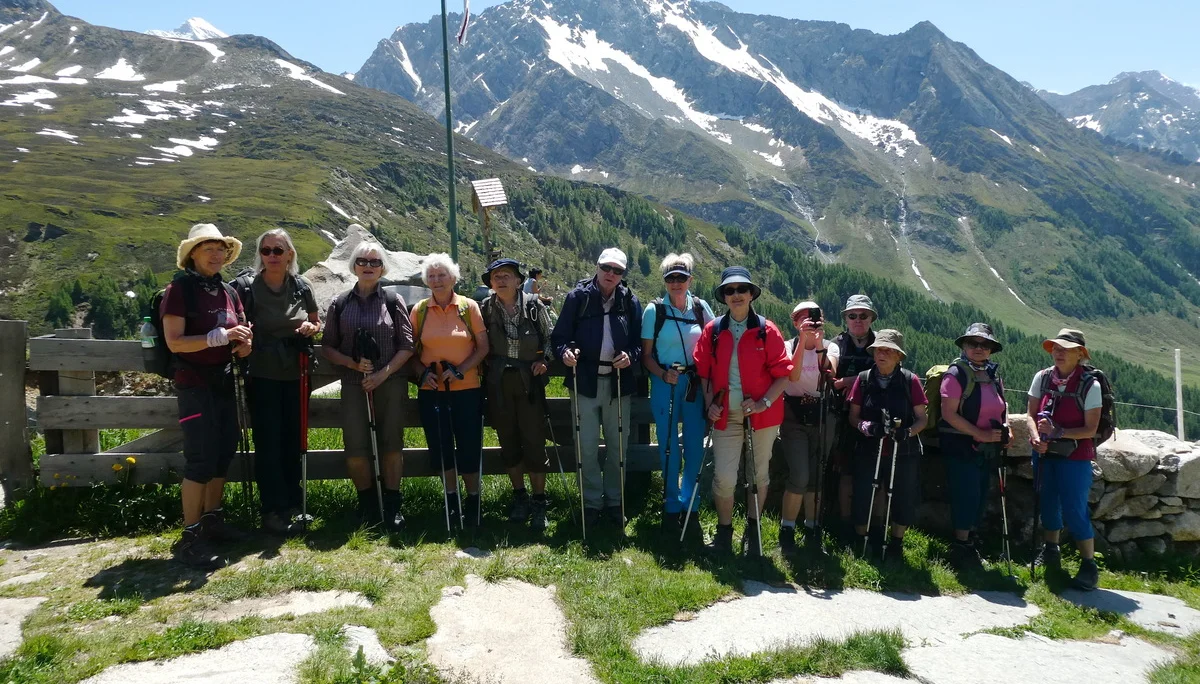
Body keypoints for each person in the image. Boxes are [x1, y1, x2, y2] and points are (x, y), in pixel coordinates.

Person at [162, 223, 253, 569]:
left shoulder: (228, 291)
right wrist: (218, 337)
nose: (217, 255)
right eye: (208, 249)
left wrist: (244, 344)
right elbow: (175, 341)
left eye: (221, 249)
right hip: (193, 382)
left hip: (224, 380)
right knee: (200, 457)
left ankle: (213, 520)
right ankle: (191, 534)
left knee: (223, 452)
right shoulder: (179, 290)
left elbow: (242, 331)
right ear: (193, 255)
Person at [693, 267, 792, 557]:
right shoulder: (713, 330)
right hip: (725, 415)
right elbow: (704, 372)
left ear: (751, 294)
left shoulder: (766, 329)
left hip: (761, 416)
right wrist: (711, 402)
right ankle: (724, 532)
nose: (735, 295)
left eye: (741, 289)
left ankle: (753, 530)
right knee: (724, 478)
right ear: (724, 296)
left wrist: (764, 403)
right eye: (729, 290)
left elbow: (783, 374)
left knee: (758, 476)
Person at [321, 242, 414, 531]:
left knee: (391, 444)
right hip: (353, 384)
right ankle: (368, 506)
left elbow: (407, 345)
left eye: (374, 262)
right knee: (356, 447)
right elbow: (327, 347)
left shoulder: (391, 300)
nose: (368, 266)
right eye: (362, 261)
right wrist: (352, 364)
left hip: (390, 382)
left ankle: (392, 505)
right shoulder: (340, 303)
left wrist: (384, 373)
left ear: (382, 266)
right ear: (354, 265)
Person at [236, 229, 321, 535]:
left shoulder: (301, 286)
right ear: (260, 254)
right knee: (269, 443)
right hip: (261, 374)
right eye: (266, 250)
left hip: (296, 374)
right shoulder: (246, 287)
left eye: (278, 250)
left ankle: (293, 506)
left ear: (290, 255)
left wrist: (311, 328)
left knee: (293, 441)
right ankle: (271, 509)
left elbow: (314, 320)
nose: (272, 256)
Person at [551, 248, 642, 528]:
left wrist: (631, 355)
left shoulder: (629, 301)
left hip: (618, 384)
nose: (610, 274)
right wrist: (565, 352)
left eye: (617, 271)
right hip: (585, 382)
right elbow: (559, 338)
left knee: (618, 448)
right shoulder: (577, 298)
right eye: (607, 268)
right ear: (597, 267)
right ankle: (591, 503)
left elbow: (639, 343)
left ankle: (615, 503)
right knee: (586, 447)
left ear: (622, 275)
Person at [412, 253, 489, 528]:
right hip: (432, 390)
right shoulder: (419, 310)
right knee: (441, 446)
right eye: (431, 276)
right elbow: (410, 351)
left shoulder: (469, 308)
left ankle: (472, 500)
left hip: (467, 389)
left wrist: (460, 369)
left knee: (469, 447)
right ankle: (451, 500)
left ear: (453, 278)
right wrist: (422, 373)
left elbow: (483, 347)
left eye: (441, 275)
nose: (436, 280)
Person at [640, 253, 715, 538]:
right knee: (669, 446)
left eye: (681, 278)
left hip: (694, 383)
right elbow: (646, 356)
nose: (676, 283)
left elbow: (714, 339)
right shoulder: (654, 311)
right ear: (665, 281)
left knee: (694, 445)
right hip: (665, 382)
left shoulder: (700, 307)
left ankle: (691, 506)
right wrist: (661, 374)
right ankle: (671, 506)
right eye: (670, 278)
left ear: (689, 280)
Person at [479, 259, 555, 532]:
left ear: (518, 280)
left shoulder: (534, 306)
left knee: (534, 441)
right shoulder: (485, 309)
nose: (500, 280)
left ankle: (539, 501)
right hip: (499, 384)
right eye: (495, 276)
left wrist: (545, 360)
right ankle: (519, 498)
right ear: (490, 283)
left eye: (506, 276)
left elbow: (550, 339)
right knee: (508, 441)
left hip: (529, 383)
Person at [1027, 329, 1102, 591]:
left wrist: (1059, 432)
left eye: (1066, 349)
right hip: (1045, 453)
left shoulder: (1090, 385)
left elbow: (1090, 429)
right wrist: (1036, 437)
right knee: (1048, 502)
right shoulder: (1042, 377)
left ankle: (1089, 564)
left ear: (1080, 353)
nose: (1058, 352)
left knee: (1074, 508)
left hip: (1076, 457)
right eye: (1056, 348)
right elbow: (1030, 415)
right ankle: (1051, 549)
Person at [847, 329, 928, 562]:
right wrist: (866, 427)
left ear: (898, 356)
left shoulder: (910, 381)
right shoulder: (863, 380)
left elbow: (922, 418)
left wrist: (908, 432)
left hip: (903, 450)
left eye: (888, 350)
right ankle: (861, 540)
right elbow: (853, 416)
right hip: (869, 448)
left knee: (903, 495)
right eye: (879, 349)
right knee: (863, 492)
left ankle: (896, 545)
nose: (882, 354)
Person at [939, 323, 1012, 570]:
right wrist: (980, 434)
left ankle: (970, 542)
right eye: (973, 343)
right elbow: (948, 414)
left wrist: (1006, 428)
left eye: (985, 344)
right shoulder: (956, 374)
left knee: (979, 496)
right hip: (961, 446)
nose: (979, 348)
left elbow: (1003, 406)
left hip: (986, 449)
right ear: (964, 346)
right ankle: (961, 548)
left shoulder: (992, 374)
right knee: (966, 495)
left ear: (991, 349)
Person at [778, 300, 839, 555]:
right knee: (800, 475)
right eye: (803, 319)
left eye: (814, 318)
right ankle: (787, 529)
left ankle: (813, 528)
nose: (809, 323)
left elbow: (829, 374)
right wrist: (804, 341)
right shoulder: (787, 346)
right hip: (794, 415)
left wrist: (820, 344)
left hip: (822, 415)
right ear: (794, 322)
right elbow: (792, 375)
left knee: (816, 476)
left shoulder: (830, 346)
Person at [826, 294, 878, 541]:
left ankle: (871, 525)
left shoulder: (881, 345)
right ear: (845, 318)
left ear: (871, 318)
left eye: (863, 315)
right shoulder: (836, 344)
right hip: (841, 417)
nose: (858, 320)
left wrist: (850, 381)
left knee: (873, 473)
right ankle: (846, 523)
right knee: (844, 470)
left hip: (873, 418)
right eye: (852, 315)